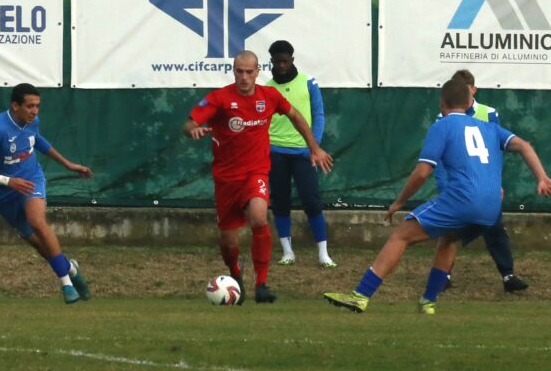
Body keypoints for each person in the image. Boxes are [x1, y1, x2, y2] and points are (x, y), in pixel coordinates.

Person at [324, 79, 551, 314]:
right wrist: (542, 178)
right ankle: (428, 301)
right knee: (449, 239)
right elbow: (524, 145)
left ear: (442, 102)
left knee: (401, 236)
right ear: (469, 102)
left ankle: (360, 295)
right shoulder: (489, 128)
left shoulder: (441, 126)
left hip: (463, 200)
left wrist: (399, 201)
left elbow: (422, 172)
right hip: (492, 207)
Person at [183, 50, 333, 305]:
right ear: (233, 71)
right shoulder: (219, 98)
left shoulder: (269, 96)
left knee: (259, 216)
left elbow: (296, 116)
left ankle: (262, 284)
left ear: (257, 72)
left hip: (256, 173)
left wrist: (314, 148)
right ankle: (236, 277)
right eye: (239, 71)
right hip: (226, 179)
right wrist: (194, 130)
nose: (244, 77)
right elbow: (188, 123)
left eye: (249, 72)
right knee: (229, 243)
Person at [0, 83, 93, 304]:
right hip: (4, 193)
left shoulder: (32, 121)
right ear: (15, 106)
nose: (35, 111)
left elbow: (37, 141)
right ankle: (70, 268)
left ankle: (66, 284)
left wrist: (67, 163)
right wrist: (8, 181)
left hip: (31, 178)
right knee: (41, 245)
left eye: (38, 106)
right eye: (30, 106)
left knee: (37, 222)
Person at [437, 69, 527, 292]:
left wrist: (496, 184)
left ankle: (508, 276)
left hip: (484, 186)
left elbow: (497, 151)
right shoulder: (444, 117)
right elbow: (439, 157)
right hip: (457, 186)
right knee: (450, 233)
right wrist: (444, 186)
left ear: (473, 90)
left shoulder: (488, 113)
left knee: (495, 228)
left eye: (464, 91)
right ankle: (443, 275)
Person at [266, 40, 336, 268]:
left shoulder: (309, 82)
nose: (282, 65)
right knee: (280, 202)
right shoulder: (266, 88)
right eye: (277, 62)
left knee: (312, 201)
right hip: (275, 152)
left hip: (304, 153)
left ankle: (323, 254)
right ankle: (288, 252)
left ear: (292, 60)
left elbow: (319, 114)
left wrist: (313, 147)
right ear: (272, 62)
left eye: (285, 61)